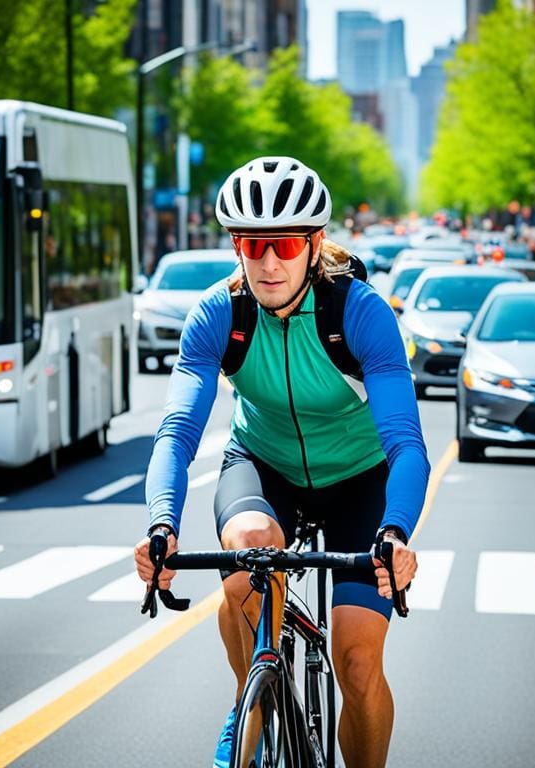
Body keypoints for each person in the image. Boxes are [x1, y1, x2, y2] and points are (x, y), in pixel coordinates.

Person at [134, 156, 429, 768]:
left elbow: (406, 444)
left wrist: (395, 534)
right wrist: (161, 525)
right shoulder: (221, 313)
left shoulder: (359, 313)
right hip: (262, 462)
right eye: (251, 243)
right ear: (236, 245)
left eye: (286, 243)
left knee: (356, 658)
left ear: (314, 244)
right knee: (247, 554)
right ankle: (254, 697)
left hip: (360, 479)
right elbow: (177, 431)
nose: (268, 261)